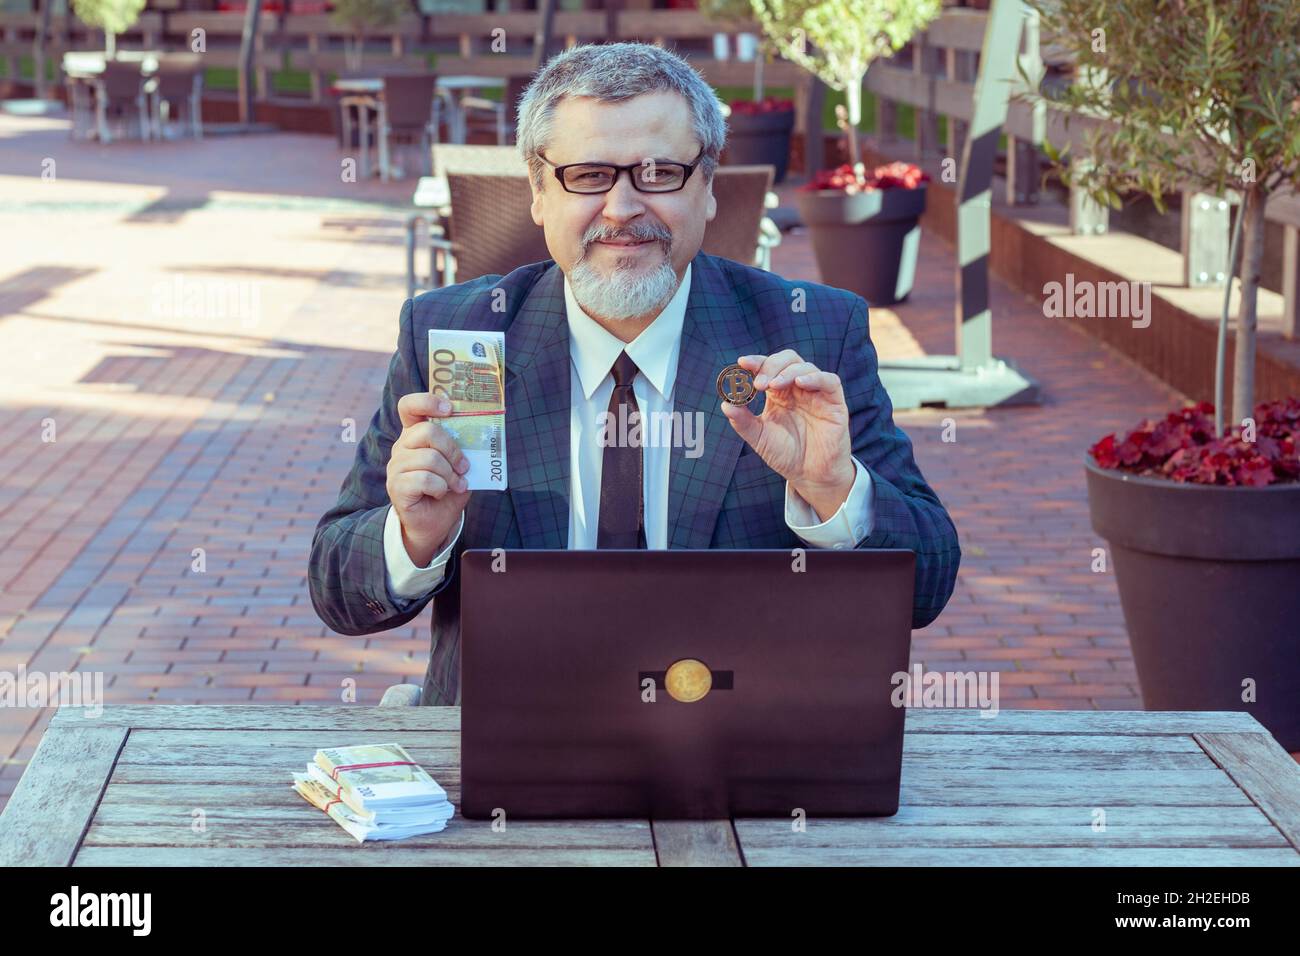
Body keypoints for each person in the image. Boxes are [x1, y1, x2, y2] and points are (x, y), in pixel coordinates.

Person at [309, 41, 960, 706]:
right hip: (507, 744)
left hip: (740, 744)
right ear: (538, 192)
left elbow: (927, 585)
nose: (622, 209)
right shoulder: (459, 339)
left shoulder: (811, 334)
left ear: (707, 188)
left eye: (658, 173)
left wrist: (833, 489)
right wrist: (415, 536)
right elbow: (337, 591)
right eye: (588, 175)